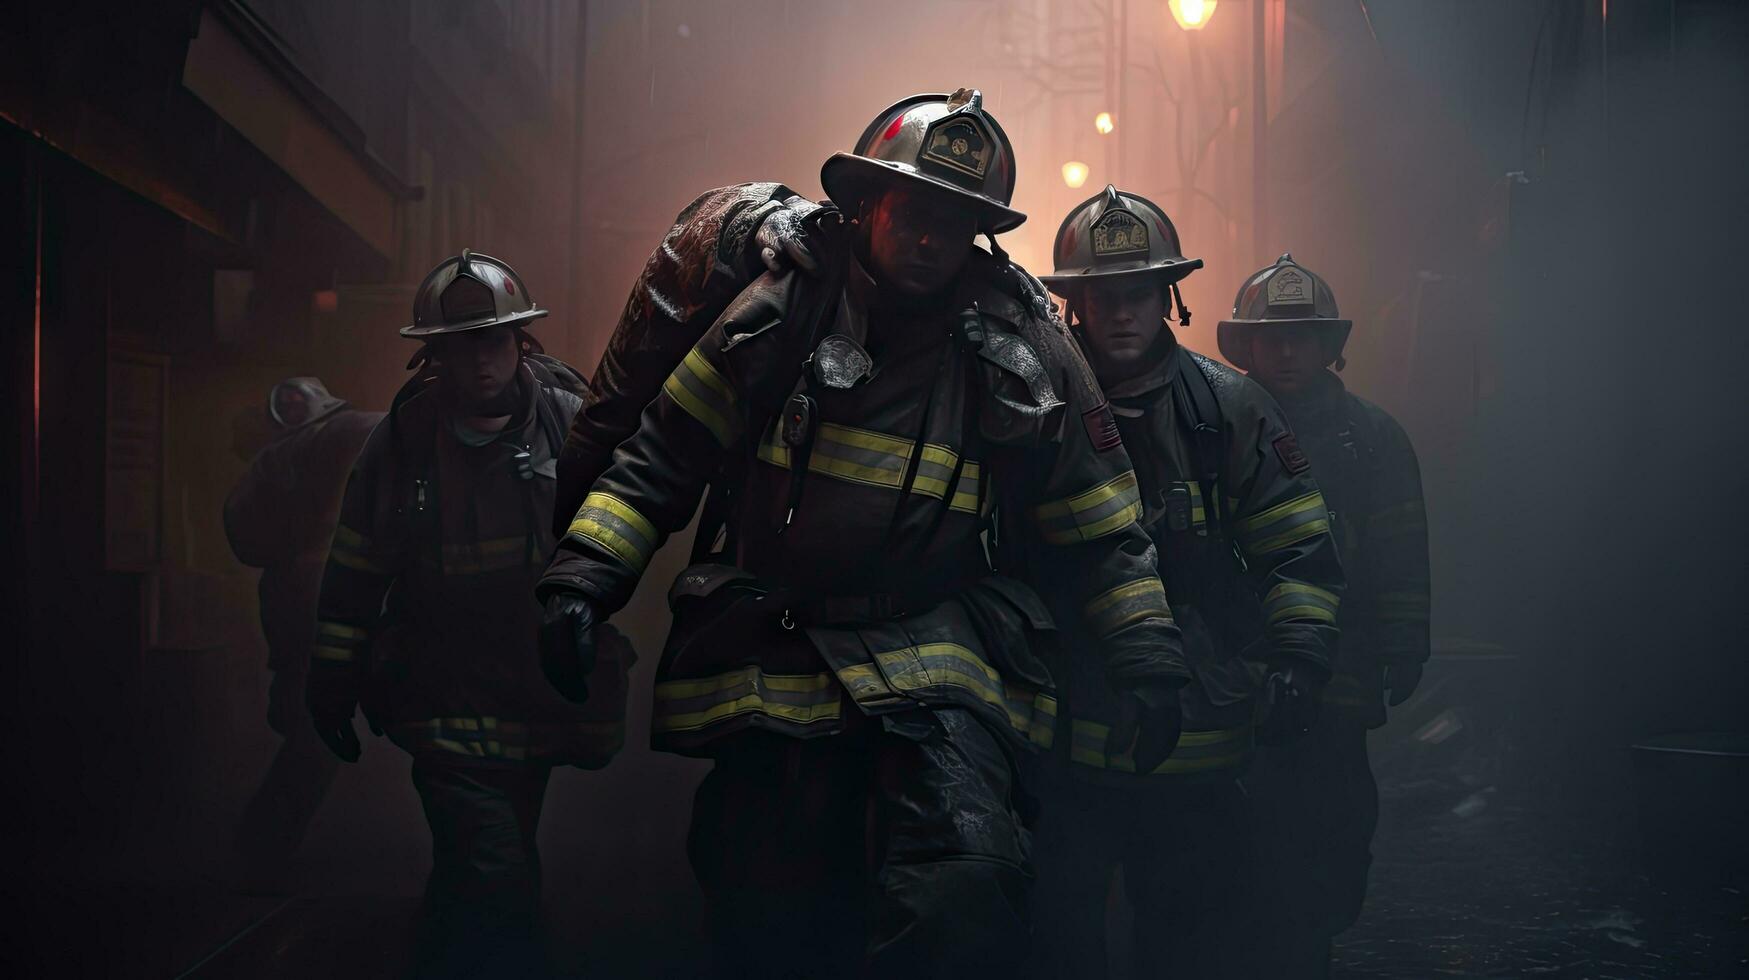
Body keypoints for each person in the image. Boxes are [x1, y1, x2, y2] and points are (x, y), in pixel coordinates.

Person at [537, 90, 1188, 979]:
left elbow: (1097, 524)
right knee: (766, 903)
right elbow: (664, 453)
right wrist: (584, 574)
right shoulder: (781, 308)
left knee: (963, 888)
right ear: (866, 203)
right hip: (773, 647)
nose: (929, 240)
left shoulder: (1018, 342)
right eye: (915, 211)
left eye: (954, 224)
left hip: (937, 652)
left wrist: (1146, 654)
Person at [1031, 189, 1347, 979]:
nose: (1122, 314)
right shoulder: (1029, 399)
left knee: (1186, 931)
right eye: (1102, 296)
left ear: (1168, 296)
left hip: (1197, 738)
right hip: (1054, 726)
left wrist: (1298, 662)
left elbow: (1298, 548)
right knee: (1055, 935)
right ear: (1073, 303)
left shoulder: (1230, 407)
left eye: (1138, 293)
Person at [306, 251, 632, 978]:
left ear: (522, 343)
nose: (479, 361)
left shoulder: (571, 425)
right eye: (459, 346)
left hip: (534, 690)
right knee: (495, 865)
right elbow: (357, 564)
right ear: (433, 356)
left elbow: (626, 533)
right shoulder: (401, 442)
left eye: (493, 341)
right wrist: (331, 671)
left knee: (483, 860)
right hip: (441, 685)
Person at [1218, 253, 1431, 977]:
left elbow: (1400, 546)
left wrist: (1405, 643)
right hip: (1238, 672)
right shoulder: (1213, 424)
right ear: (1243, 347)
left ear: (1329, 345)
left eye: (1302, 337)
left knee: (1337, 821)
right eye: (1271, 338)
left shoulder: (1370, 436)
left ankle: (1312, 931)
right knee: (1247, 833)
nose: (1284, 351)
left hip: (1339, 672)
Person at [225, 378, 380, 884]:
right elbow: (385, 428)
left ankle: (266, 850)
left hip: (294, 597)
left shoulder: (270, 465)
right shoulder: (335, 436)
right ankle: (260, 852)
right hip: (321, 595)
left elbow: (246, 538)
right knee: (314, 735)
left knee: (308, 720)